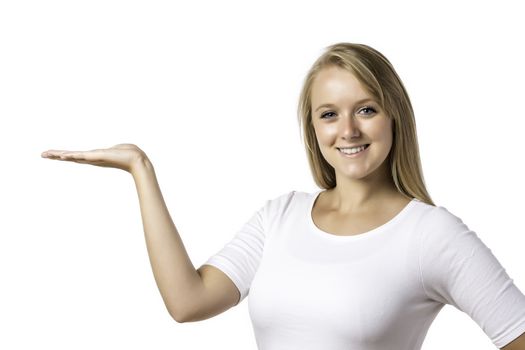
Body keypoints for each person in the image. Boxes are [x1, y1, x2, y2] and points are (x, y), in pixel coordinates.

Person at [41, 42, 525, 350]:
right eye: (329, 114)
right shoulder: (280, 217)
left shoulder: (430, 234)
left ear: (394, 116)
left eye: (367, 109)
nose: (349, 129)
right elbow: (187, 302)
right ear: (313, 128)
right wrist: (141, 170)